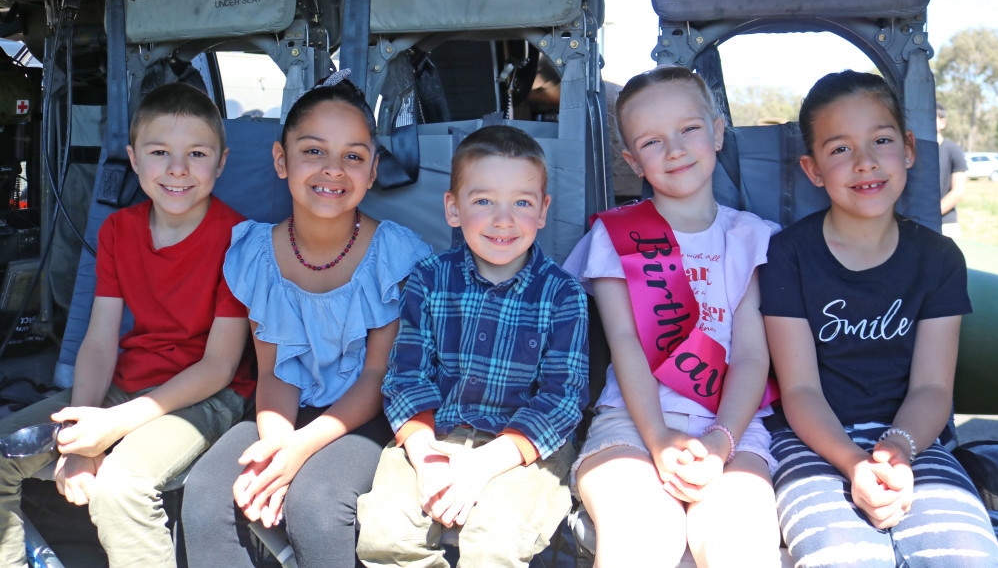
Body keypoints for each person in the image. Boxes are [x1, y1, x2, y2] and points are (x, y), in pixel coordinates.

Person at [180, 71, 431, 568]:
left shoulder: (396, 256)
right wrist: (277, 449)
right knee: (208, 498)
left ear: (373, 169)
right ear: (281, 159)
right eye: (314, 151)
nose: (333, 169)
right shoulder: (256, 255)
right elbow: (274, 371)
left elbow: (379, 376)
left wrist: (299, 452)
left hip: (371, 413)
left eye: (353, 156)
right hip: (285, 411)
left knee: (315, 506)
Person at [0, 82, 254, 568]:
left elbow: (220, 366)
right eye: (160, 152)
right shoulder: (118, 230)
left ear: (220, 164)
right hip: (127, 382)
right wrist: (81, 432)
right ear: (134, 160)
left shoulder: (240, 240)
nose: (177, 169)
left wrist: (110, 429)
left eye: (196, 154)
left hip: (208, 394)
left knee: (121, 487)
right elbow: (98, 341)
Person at [760, 70, 998, 566]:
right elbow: (800, 390)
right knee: (844, 556)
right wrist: (853, 464)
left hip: (916, 439)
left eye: (882, 140)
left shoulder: (938, 258)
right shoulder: (788, 254)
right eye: (840, 149)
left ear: (909, 148)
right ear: (813, 169)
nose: (865, 162)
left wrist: (898, 451)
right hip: (814, 444)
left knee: (966, 555)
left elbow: (933, 389)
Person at [562, 66, 780, 567]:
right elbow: (626, 342)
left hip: (734, 427)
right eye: (652, 141)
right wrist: (658, 438)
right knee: (642, 536)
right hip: (632, 423)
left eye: (689, 129)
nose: (675, 149)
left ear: (719, 131)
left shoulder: (750, 237)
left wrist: (720, 442)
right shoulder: (614, 237)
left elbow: (750, 355)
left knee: (738, 542)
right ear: (632, 161)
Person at [355, 125, 589, 567]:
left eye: (522, 202)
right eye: (483, 201)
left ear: (543, 212)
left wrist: (483, 465)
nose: (504, 219)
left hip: (526, 448)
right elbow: (406, 375)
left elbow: (562, 399)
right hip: (435, 436)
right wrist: (425, 456)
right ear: (453, 208)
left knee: (495, 538)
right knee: (386, 530)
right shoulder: (429, 279)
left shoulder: (562, 293)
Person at [937, 104, 967, 238]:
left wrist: (932, 213)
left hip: (946, 225)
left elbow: (958, 191)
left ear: (942, 122)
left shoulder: (954, 150)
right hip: (914, 224)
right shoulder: (910, 151)